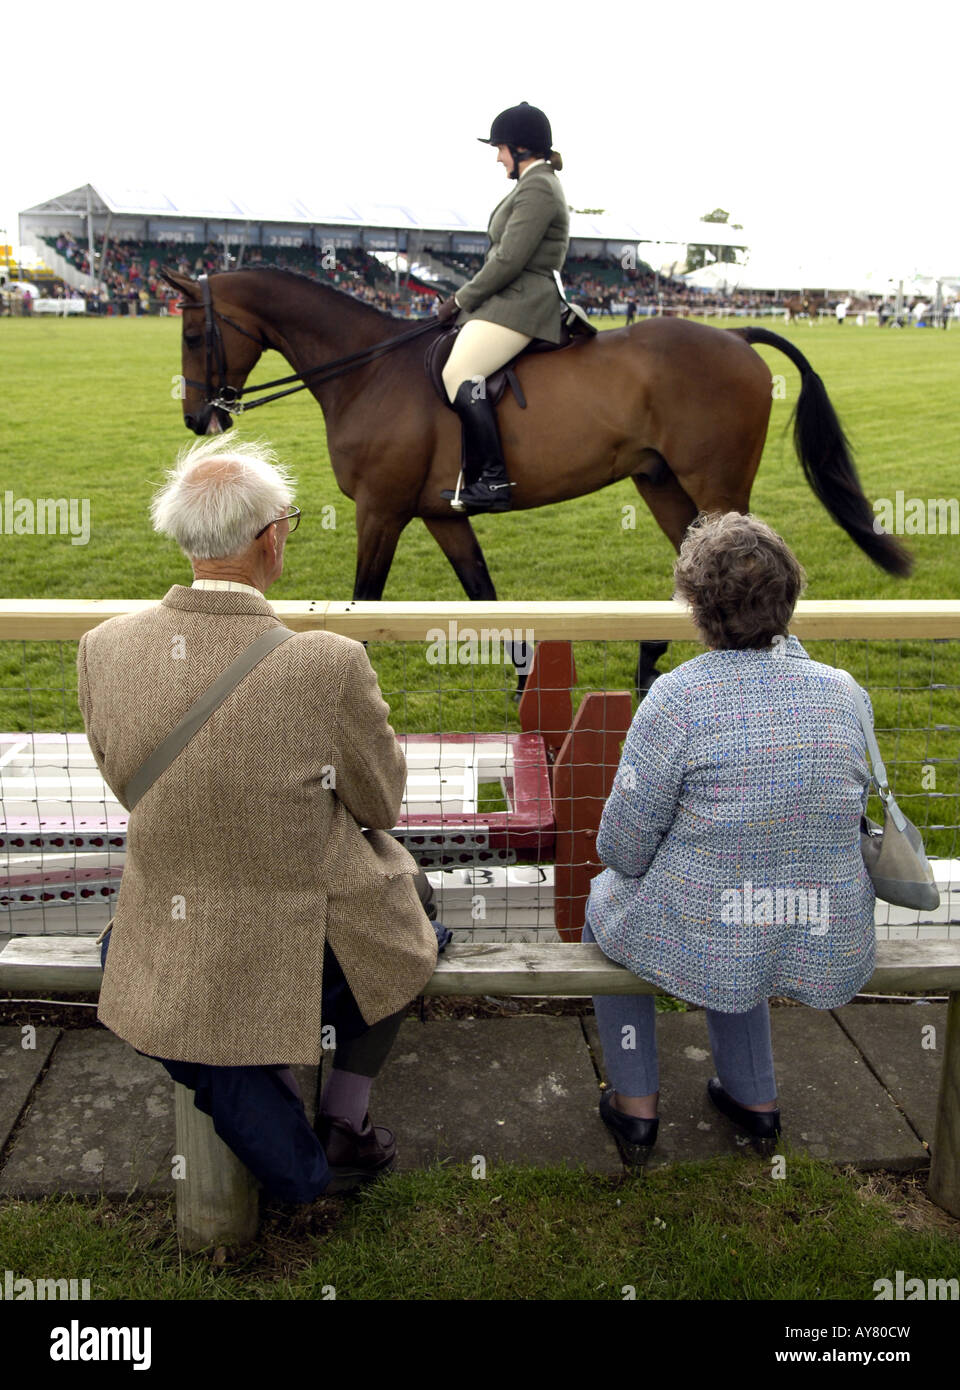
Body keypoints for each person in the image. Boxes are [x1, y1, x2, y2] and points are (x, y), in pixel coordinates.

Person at [77, 432, 440, 1203]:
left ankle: (284, 1104)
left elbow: (131, 785)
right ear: (272, 538)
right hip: (301, 938)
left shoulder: (102, 648)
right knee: (414, 918)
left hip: (168, 920)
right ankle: (343, 1118)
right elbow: (380, 806)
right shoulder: (326, 663)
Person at [583, 512, 877, 1168]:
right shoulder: (845, 694)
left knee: (603, 910)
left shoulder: (677, 700)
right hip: (818, 923)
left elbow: (622, 851)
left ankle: (636, 1110)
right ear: (788, 596)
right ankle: (756, 1100)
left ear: (697, 604)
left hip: (721, 921)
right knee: (741, 921)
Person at [435, 102, 570, 514]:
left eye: (501, 149)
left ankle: (493, 481)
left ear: (521, 149)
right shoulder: (532, 184)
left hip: (524, 302)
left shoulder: (539, 187)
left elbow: (509, 259)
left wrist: (460, 299)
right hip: (508, 298)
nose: (497, 157)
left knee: (458, 372)